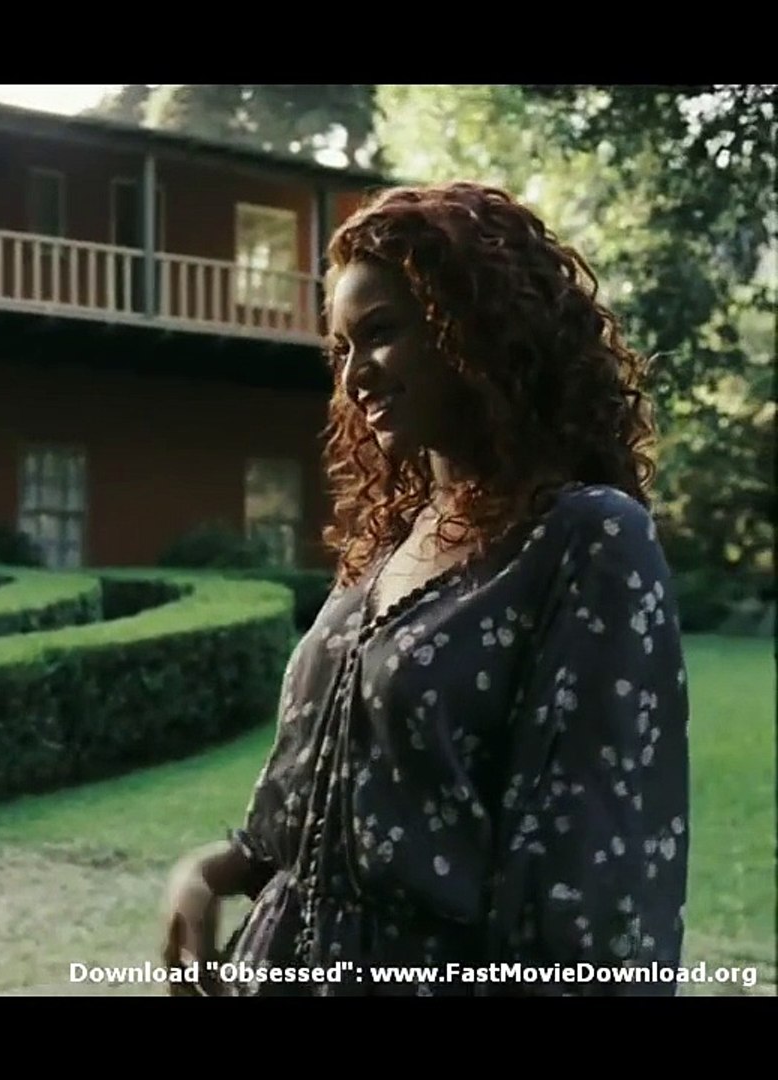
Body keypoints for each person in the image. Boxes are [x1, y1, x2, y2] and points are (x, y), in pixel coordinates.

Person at [159, 181, 691, 996]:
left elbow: (591, 882)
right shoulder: (388, 548)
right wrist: (204, 872)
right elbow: (305, 819)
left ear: (473, 327)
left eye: (380, 333)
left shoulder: (586, 540)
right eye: (341, 349)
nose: (355, 377)